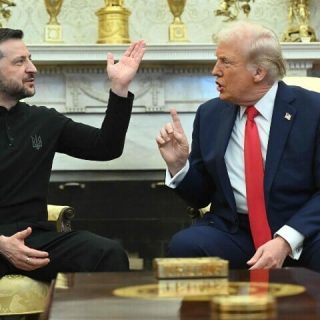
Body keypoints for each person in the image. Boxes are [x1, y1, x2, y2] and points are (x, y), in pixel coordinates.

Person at [156, 20, 320, 272]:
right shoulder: (210, 114)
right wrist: (179, 166)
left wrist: (286, 240)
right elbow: (200, 197)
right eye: (216, 60)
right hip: (235, 231)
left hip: (302, 231)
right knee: (185, 246)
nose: (215, 70)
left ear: (259, 72)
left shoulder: (313, 110)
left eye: (226, 62)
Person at [0, 28, 145, 281]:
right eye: (20, 61)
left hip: (36, 241)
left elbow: (106, 147)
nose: (32, 68)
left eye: (30, 58)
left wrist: (119, 89)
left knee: (107, 253)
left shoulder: (43, 121)